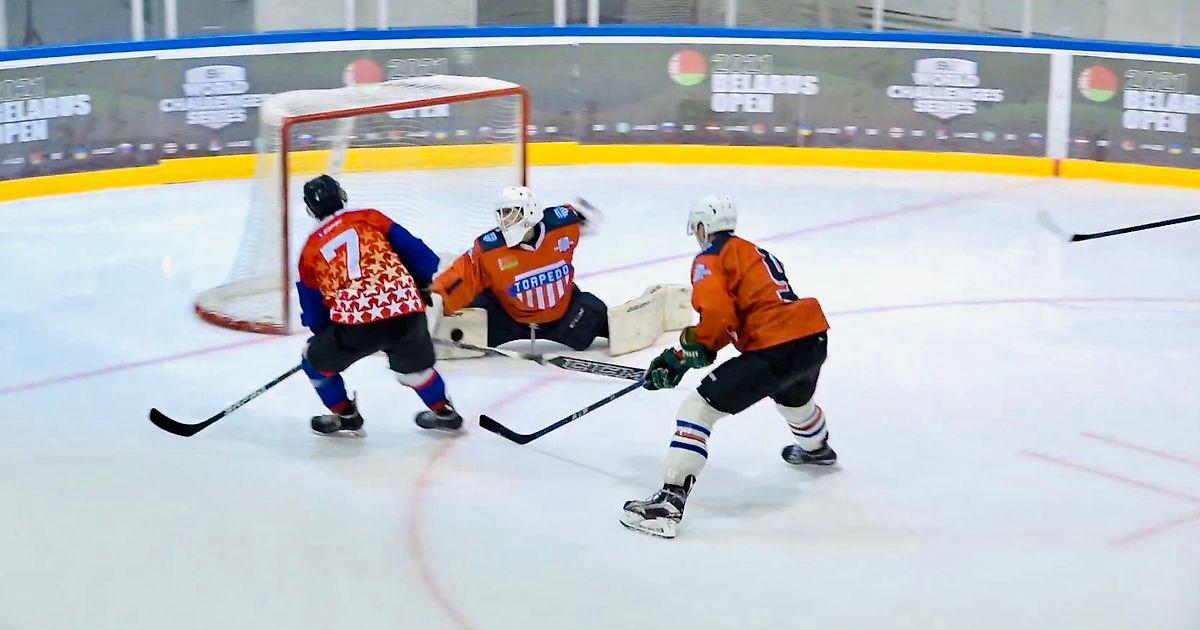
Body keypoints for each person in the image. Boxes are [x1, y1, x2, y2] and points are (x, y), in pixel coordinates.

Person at [620, 194, 835, 539]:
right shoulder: (753, 251)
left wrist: (688, 354)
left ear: (702, 227)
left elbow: (719, 316)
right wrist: (683, 356)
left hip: (773, 348)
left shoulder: (710, 258)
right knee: (794, 401)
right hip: (811, 340)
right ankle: (816, 448)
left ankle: (668, 504)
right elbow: (737, 317)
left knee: (697, 410)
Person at [295, 174, 462, 436]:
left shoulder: (310, 250)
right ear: (341, 196)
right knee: (415, 372)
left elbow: (315, 311)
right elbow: (422, 256)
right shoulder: (370, 217)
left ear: (310, 210)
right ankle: (444, 412)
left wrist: (324, 340)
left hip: (358, 326)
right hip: (406, 310)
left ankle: (346, 414)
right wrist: (420, 284)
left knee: (312, 360)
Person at [430, 186, 608, 352]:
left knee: (592, 318)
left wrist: (586, 216)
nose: (504, 220)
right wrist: (433, 302)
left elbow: (587, 219)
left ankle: (607, 326)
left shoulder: (563, 224)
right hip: (508, 319)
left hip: (562, 314)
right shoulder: (489, 249)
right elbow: (460, 277)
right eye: (502, 213)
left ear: (530, 211)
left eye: (510, 213)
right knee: (473, 307)